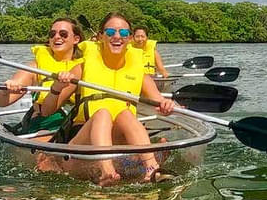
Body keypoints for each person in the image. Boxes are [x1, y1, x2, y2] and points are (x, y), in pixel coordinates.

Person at [43, 12, 178, 185]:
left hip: (120, 148)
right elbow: (47, 110)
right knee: (102, 114)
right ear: (100, 37)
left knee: (125, 114)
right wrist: (57, 87)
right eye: (110, 32)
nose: (116, 37)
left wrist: (167, 106)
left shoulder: (139, 73)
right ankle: (107, 172)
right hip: (82, 151)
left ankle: (151, 170)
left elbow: (160, 101)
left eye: (123, 33)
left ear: (129, 38)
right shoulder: (83, 68)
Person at [0, 17, 85, 140]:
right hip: (46, 122)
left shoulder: (85, 65)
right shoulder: (35, 67)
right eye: (52, 34)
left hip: (78, 121)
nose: (57, 37)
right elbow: (1, 102)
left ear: (76, 39)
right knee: (47, 148)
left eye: (63, 34)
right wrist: (6, 90)